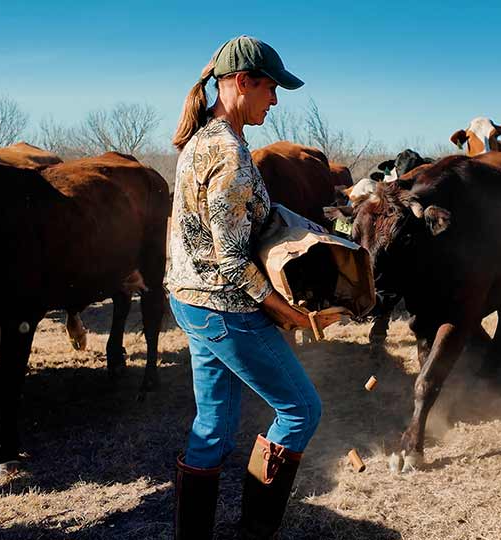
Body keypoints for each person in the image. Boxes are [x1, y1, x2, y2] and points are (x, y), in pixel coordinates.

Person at [167, 35, 344, 540]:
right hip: (224, 309)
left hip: (191, 301)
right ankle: (255, 532)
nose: (275, 100)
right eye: (270, 88)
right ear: (242, 82)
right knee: (301, 410)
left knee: (214, 427)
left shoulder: (201, 140)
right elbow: (231, 260)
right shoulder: (228, 153)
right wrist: (291, 316)